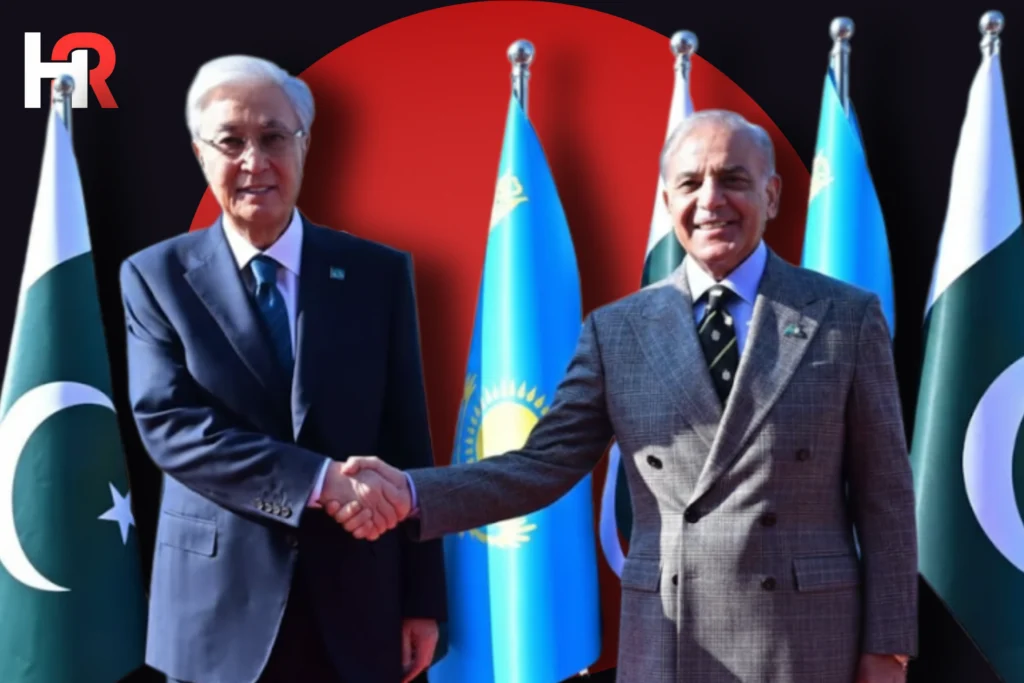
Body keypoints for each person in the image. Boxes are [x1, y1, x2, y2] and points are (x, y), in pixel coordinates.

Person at [329, 110, 918, 683]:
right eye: (689, 182)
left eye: (733, 179)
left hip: (808, 641)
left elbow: (885, 495)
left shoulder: (844, 316)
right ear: (667, 200)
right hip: (673, 642)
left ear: (772, 194)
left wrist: (888, 651)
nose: (710, 199)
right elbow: (541, 466)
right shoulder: (618, 330)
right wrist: (409, 492)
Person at [119, 55, 446, 683]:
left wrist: (422, 600)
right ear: (199, 154)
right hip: (217, 613)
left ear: (305, 144)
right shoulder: (154, 277)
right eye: (231, 142)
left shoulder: (377, 274)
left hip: (359, 605)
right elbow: (172, 426)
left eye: (273, 137)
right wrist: (320, 482)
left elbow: (408, 438)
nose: (254, 161)